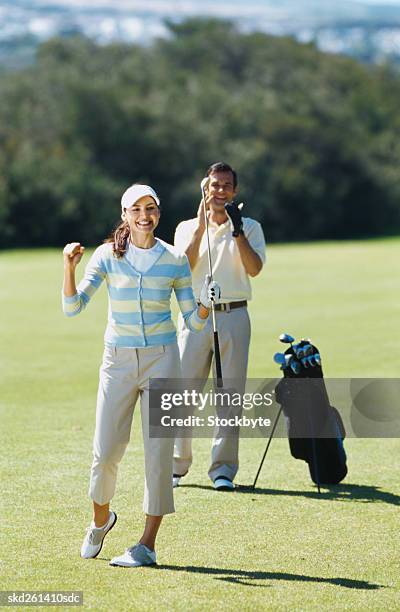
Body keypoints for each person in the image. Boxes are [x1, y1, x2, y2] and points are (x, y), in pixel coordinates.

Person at [62, 184, 219, 567]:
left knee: (159, 453)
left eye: (150, 209)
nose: (144, 216)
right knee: (106, 450)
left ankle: (146, 545)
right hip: (117, 361)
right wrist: (68, 267)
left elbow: (194, 325)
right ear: (125, 215)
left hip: (164, 361)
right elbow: (73, 307)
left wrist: (204, 303)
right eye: (136, 210)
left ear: (158, 213)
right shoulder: (106, 256)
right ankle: (101, 520)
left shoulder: (175, 258)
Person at [173, 162, 266, 491]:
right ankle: (177, 466)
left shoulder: (250, 226)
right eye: (214, 185)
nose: (220, 191)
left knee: (230, 397)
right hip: (196, 316)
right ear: (205, 189)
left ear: (234, 191)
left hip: (235, 316)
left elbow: (254, 269)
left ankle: (223, 469)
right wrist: (201, 228)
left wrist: (237, 231)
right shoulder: (186, 227)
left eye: (226, 185)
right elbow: (183, 265)